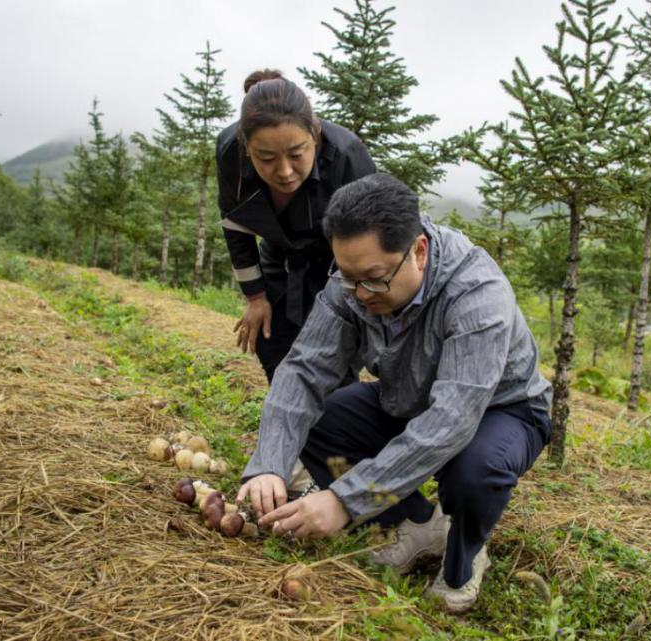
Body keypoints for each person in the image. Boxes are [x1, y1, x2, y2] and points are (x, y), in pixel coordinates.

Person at [236, 173, 553, 613]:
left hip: (502, 411)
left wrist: (346, 501)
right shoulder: (353, 278)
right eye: (348, 278)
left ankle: (466, 553)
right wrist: (268, 464)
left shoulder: (478, 295)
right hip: (408, 395)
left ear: (418, 252)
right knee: (319, 426)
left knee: (473, 470)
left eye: (373, 280)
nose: (359, 293)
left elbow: (452, 421)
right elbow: (305, 368)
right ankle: (415, 521)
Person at [217, 69, 376, 383]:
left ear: (314, 135)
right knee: (273, 345)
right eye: (266, 158)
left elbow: (373, 240)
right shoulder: (229, 154)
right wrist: (255, 298)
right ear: (246, 147)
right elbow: (236, 227)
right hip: (280, 257)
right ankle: (288, 422)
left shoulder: (347, 156)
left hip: (338, 264)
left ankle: (331, 427)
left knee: (332, 359)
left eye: (296, 154)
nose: (285, 171)